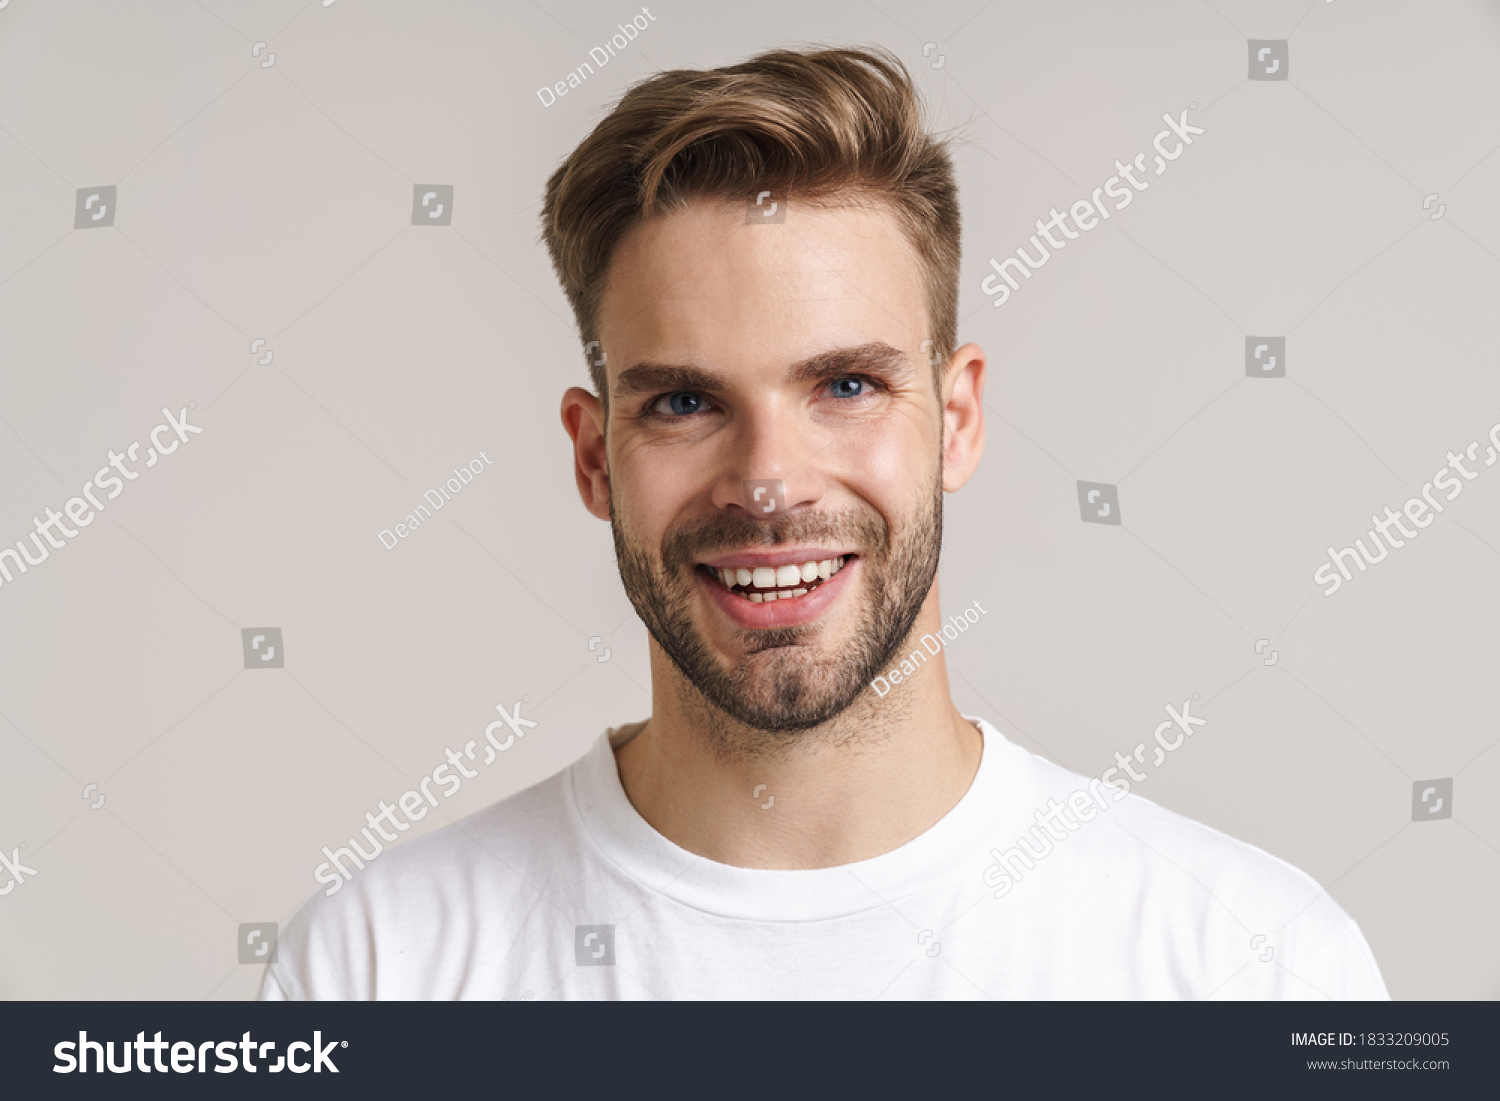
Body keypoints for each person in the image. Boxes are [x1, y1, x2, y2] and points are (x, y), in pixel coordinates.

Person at [261, 45, 1387, 1000]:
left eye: (847, 386)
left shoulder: (1253, 963)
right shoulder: (377, 970)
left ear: (956, 421)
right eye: (684, 402)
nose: (768, 484)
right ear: (595, 456)